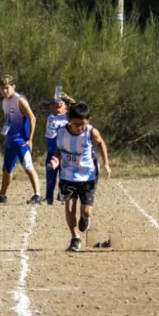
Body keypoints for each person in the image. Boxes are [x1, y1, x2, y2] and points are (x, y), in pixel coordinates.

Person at [48, 102, 111, 252]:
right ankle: (75, 238)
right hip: (67, 175)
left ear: (88, 120)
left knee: (86, 211)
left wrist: (106, 163)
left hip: (88, 175)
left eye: (83, 124)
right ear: (69, 119)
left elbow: (101, 143)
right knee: (69, 207)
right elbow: (58, 149)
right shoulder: (61, 132)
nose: (79, 127)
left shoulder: (90, 132)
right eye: (76, 124)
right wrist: (56, 159)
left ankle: (85, 218)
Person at [0, 75, 43, 205]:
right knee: (7, 169)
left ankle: (37, 195)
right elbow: (8, 120)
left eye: (7, 88)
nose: (4, 91)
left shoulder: (19, 100)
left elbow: (32, 118)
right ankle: (2, 195)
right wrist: (5, 133)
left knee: (28, 166)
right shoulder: (4, 102)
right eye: (2, 89)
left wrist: (30, 139)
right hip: (11, 140)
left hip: (21, 140)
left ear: (13, 87)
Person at [41, 91, 76, 205]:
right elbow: (40, 106)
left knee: (64, 176)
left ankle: (63, 196)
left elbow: (75, 106)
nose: (57, 106)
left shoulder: (68, 117)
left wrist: (66, 97)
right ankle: (48, 197)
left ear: (66, 107)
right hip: (51, 152)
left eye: (60, 105)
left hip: (64, 153)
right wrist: (52, 101)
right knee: (50, 176)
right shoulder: (50, 116)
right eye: (56, 105)